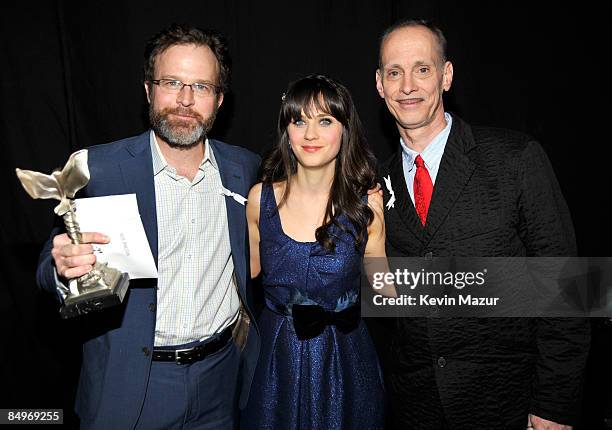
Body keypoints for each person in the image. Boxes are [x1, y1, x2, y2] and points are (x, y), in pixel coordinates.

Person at [36, 24, 260, 429]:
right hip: (130, 384)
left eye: (202, 87)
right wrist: (61, 267)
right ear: (148, 90)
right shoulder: (98, 168)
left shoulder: (243, 168)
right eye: (172, 82)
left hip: (219, 379)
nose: (186, 100)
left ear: (220, 99)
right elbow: (49, 264)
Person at [373, 19, 590, 430]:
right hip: (415, 408)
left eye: (422, 69)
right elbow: (386, 299)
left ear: (446, 75)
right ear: (380, 84)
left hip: (511, 405)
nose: (408, 87)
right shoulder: (373, 186)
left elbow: (568, 286)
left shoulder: (515, 158)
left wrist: (554, 405)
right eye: (394, 72)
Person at [241, 74, 387, 429]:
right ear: (286, 130)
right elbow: (240, 285)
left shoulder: (366, 206)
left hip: (348, 362)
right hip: (276, 364)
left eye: (325, 121)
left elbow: (387, 289)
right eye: (299, 120)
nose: (310, 134)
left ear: (344, 129)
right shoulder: (260, 200)